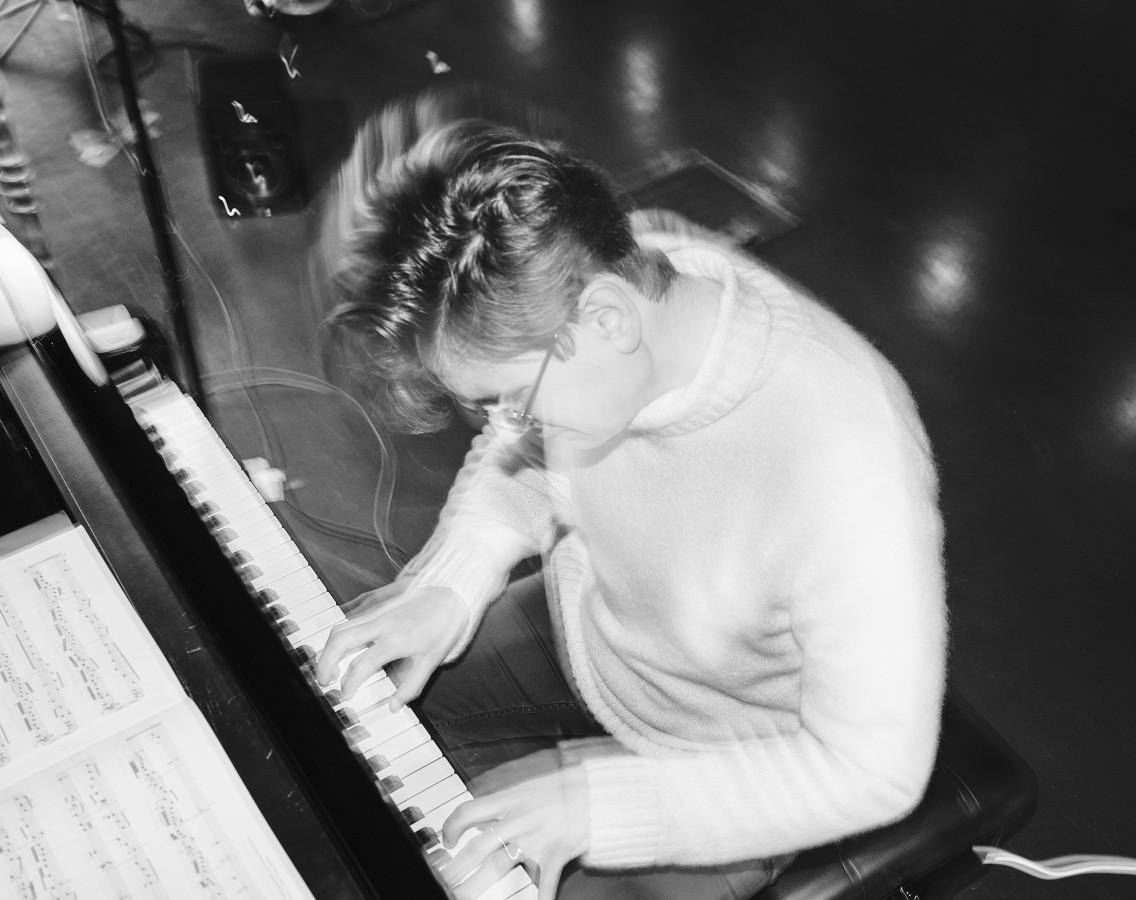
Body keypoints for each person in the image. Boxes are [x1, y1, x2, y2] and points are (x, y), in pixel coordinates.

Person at [313, 106, 947, 900]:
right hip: (598, 632)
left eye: (512, 398)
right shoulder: (612, 273)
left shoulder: (847, 460)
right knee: (335, 720)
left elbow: (872, 771)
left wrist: (599, 809)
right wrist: (452, 579)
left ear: (608, 319)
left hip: (729, 762)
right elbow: (523, 461)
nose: (504, 427)